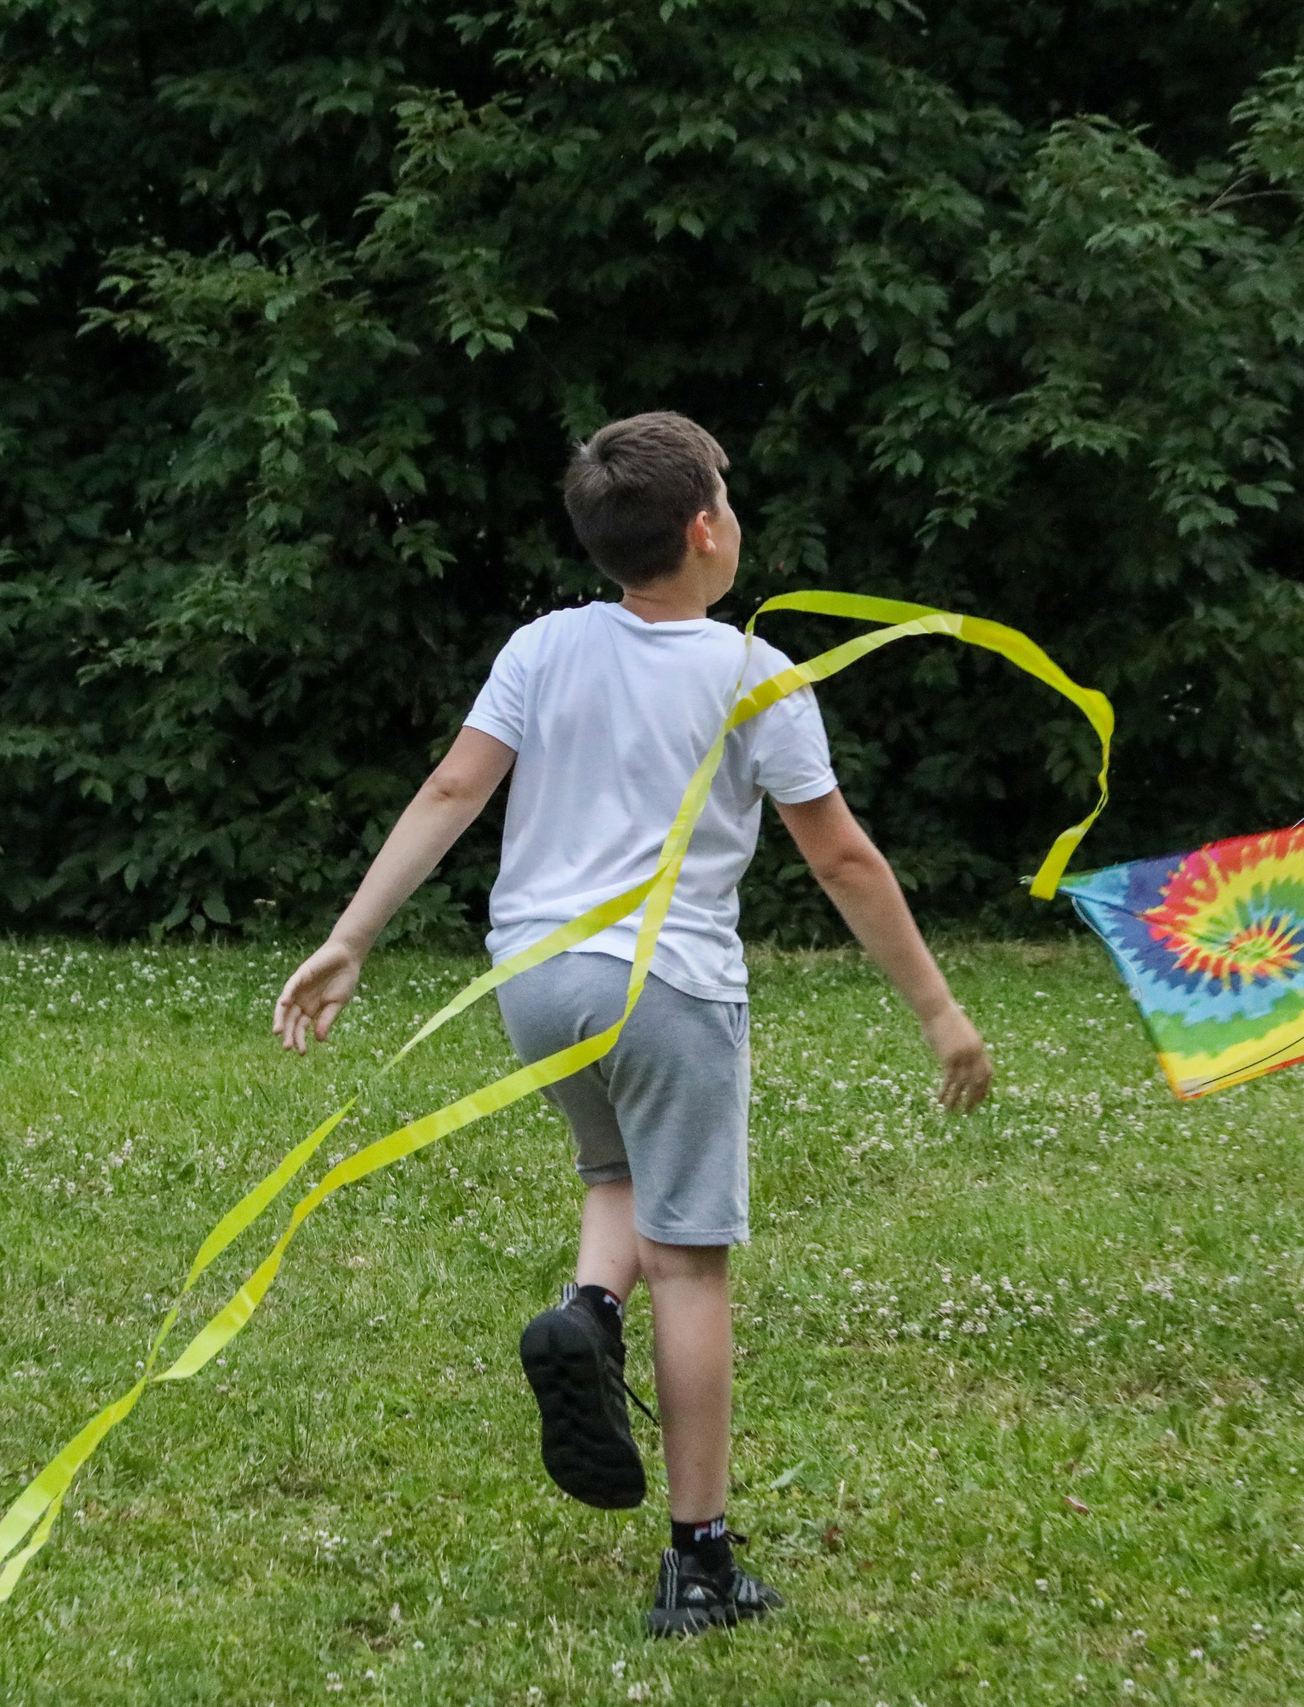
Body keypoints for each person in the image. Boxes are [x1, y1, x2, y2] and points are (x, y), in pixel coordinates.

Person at [269, 411, 994, 1629]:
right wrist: (940, 1012)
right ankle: (700, 1562)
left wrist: (353, 934)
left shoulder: (544, 645)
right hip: (666, 985)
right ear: (706, 528)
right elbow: (844, 862)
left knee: (614, 1173)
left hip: (534, 984)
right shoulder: (752, 671)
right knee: (693, 1260)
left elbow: (454, 786)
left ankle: (586, 1317)